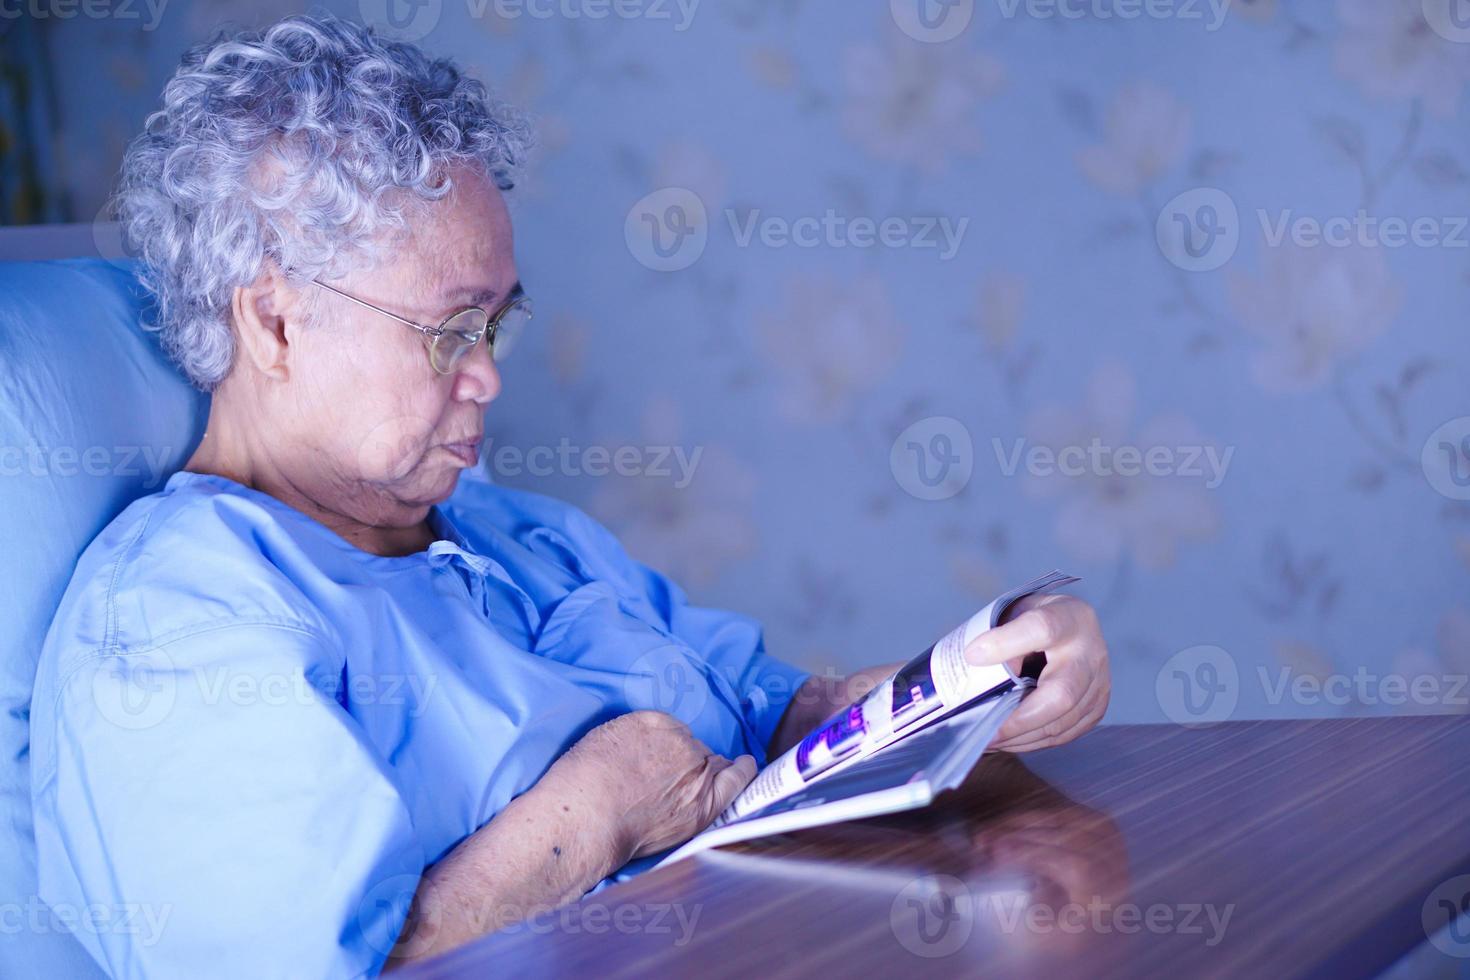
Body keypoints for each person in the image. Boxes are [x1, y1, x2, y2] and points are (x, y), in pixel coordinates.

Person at [29, 14, 1109, 977]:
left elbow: (780, 716)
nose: (489, 374)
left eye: (495, 326)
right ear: (273, 324)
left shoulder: (517, 534)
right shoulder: (181, 624)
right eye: (451, 330)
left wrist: (982, 680)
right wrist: (590, 811)